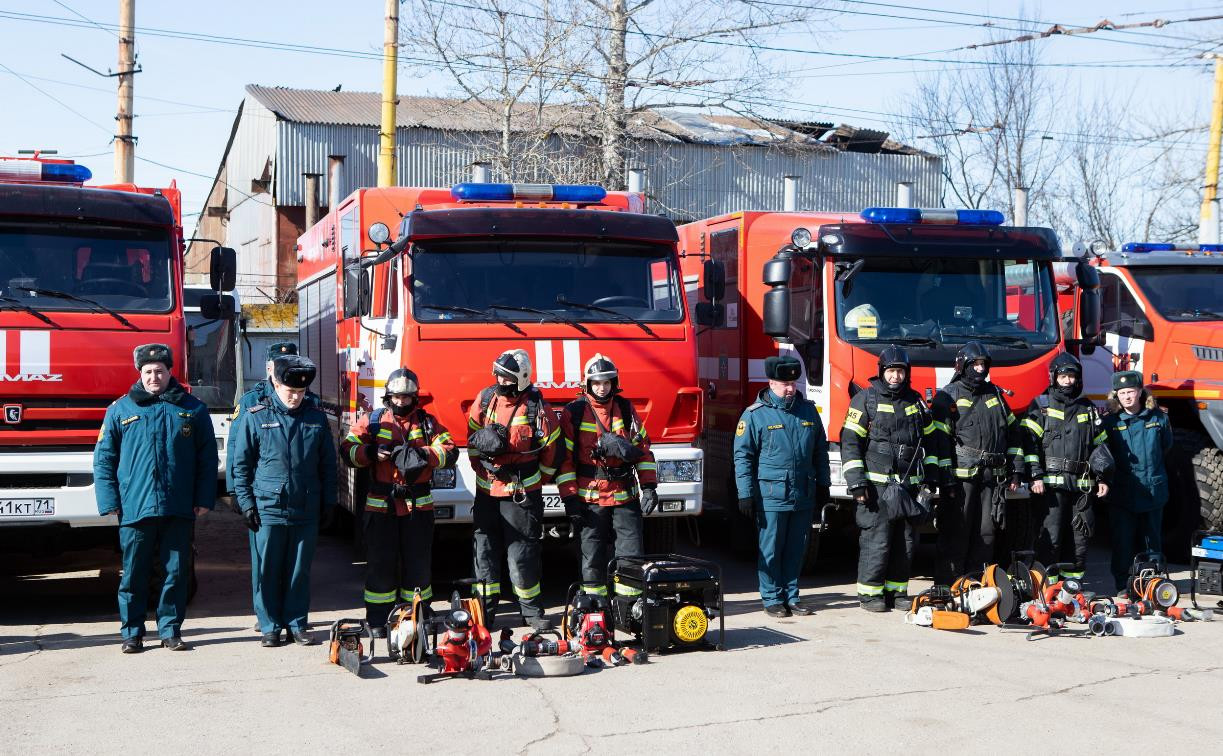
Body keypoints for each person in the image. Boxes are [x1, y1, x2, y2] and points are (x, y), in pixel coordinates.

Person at [93, 344, 217, 653]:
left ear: (169, 372)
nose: (153, 377)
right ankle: (131, 632)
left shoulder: (192, 408)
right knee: (134, 573)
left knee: (175, 573)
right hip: (135, 507)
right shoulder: (120, 410)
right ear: (139, 373)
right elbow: (104, 459)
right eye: (148, 372)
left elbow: (207, 459)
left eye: (159, 371)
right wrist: (109, 501)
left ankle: (170, 630)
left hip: (178, 505)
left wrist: (204, 498)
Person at [230, 355, 337, 647]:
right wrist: (246, 503)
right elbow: (241, 465)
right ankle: (270, 625)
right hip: (268, 508)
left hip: (306, 506)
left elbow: (328, 465)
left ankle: (297, 622)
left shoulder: (315, 418)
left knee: (299, 570)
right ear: (275, 383)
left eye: (301, 392)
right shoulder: (256, 415)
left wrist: (329, 502)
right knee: (268, 569)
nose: (295, 397)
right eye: (290, 391)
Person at [340, 368, 454, 634]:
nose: (401, 402)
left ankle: (418, 616)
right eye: (397, 397)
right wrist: (370, 452)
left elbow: (449, 450)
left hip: (418, 507)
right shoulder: (374, 421)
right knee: (380, 564)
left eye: (407, 397)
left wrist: (423, 455)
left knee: (418, 565)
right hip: (382, 505)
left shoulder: (427, 423)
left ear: (415, 398)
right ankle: (379, 620)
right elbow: (348, 450)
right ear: (388, 396)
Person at [466, 348, 562, 630]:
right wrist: (484, 471)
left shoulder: (535, 407)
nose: (499, 379)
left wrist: (532, 482)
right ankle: (484, 613)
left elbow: (552, 450)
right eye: (496, 374)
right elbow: (472, 437)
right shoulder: (485, 399)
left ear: (519, 379)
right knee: (484, 553)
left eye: (505, 376)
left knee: (522, 554)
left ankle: (531, 612)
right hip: (487, 494)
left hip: (521, 497)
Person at [842, 346, 941, 612]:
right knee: (878, 540)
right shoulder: (865, 400)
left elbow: (930, 440)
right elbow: (850, 442)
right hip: (877, 485)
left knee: (906, 541)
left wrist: (931, 475)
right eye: (891, 371)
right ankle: (870, 594)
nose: (896, 376)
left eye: (900, 371)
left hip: (909, 485)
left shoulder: (915, 400)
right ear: (882, 372)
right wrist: (857, 482)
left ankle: (897, 592)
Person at [733, 355, 830, 618]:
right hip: (771, 495)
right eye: (785, 383)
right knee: (771, 548)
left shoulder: (808, 410)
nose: (790, 388)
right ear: (771, 383)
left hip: (802, 492)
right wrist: (745, 494)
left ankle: (792, 595)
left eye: (793, 383)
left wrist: (824, 484)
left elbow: (820, 450)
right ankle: (772, 597)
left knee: (797, 547)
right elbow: (743, 457)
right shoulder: (755, 415)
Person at [557, 354, 658, 597]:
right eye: (597, 383)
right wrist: (570, 499)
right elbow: (565, 461)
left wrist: (649, 487)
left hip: (625, 495)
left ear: (614, 383)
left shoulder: (625, 408)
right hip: (590, 499)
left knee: (631, 554)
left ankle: (629, 605)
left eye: (607, 382)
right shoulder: (575, 411)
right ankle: (595, 606)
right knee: (591, 555)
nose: (602, 388)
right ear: (588, 384)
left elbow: (642, 449)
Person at [225, 341, 309, 632]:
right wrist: (237, 492)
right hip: (263, 497)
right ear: (268, 368)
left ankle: (291, 617)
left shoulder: (304, 400)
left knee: (296, 566)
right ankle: (267, 620)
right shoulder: (253, 401)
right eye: (275, 365)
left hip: (298, 500)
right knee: (265, 563)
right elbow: (238, 448)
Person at [931, 341, 1025, 583]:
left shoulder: (994, 394)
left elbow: (1014, 432)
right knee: (957, 533)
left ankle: (978, 586)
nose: (980, 369)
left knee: (986, 533)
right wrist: (946, 480)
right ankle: (949, 586)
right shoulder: (946, 397)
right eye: (975, 364)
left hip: (992, 480)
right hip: (961, 481)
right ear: (963, 366)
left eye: (984, 364)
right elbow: (939, 442)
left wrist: (1016, 470)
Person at [1020, 353, 1112, 583]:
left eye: (1072, 377)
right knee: (1050, 539)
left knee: (1079, 540)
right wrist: (1035, 475)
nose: (1068, 381)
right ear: (1054, 378)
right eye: (1063, 377)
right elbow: (1027, 443)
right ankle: (1046, 589)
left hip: (1081, 489)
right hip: (1050, 488)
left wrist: (1102, 477)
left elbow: (1100, 445)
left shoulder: (1088, 408)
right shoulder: (1041, 406)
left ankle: (1071, 590)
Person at [1102, 370, 1173, 594]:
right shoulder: (1110, 423)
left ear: (1141, 392)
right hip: (1123, 493)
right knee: (1122, 542)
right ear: (1116, 395)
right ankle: (1123, 585)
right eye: (1122, 393)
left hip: (1152, 491)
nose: (1127, 397)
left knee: (1152, 543)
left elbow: (1166, 447)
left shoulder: (1159, 419)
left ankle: (1151, 585)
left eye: (1131, 392)